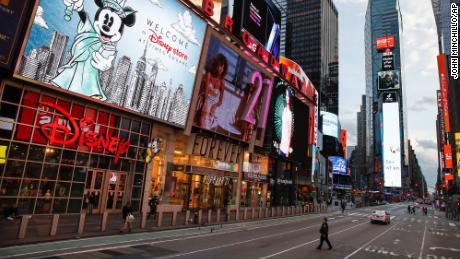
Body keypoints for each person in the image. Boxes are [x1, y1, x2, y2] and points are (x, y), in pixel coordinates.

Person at [196, 53, 228, 130]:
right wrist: (206, 104)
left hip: (213, 108)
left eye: (223, 67)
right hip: (205, 103)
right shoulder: (209, 75)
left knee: (208, 126)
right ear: (216, 65)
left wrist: (215, 106)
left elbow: (220, 101)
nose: (221, 69)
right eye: (220, 66)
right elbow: (206, 91)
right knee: (203, 121)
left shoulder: (222, 82)